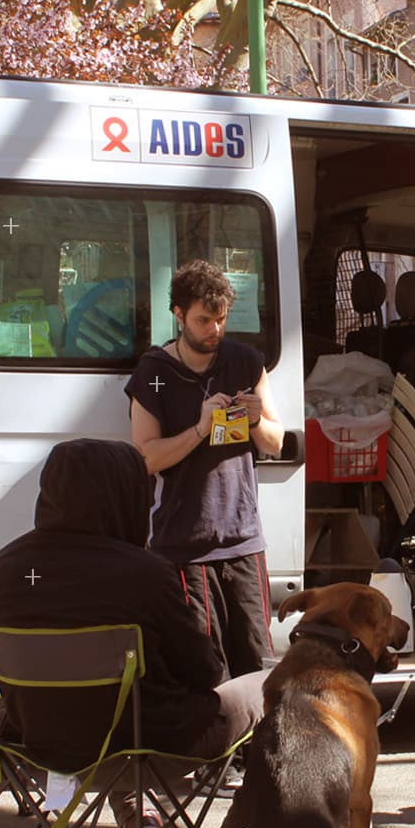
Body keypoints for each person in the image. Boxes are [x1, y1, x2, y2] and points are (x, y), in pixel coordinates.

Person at [0, 438, 267, 828]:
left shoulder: (0, 571)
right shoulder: (144, 574)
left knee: (107, 712)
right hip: (158, 743)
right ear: (123, 497)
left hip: (46, 745)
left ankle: (143, 820)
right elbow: (207, 672)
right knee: (284, 689)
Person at [125, 260, 282, 679]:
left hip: (243, 540)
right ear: (178, 314)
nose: (214, 330)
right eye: (203, 320)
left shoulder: (245, 362)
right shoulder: (154, 374)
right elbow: (146, 457)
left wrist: (253, 421)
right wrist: (199, 428)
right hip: (184, 546)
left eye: (221, 319)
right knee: (205, 670)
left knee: (257, 664)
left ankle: (257, 745)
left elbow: (276, 441)